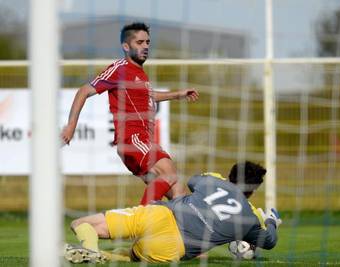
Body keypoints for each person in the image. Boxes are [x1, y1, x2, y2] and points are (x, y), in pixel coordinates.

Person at [61, 22, 199, 204]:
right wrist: (71, 127)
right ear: (126, 46)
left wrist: (177, 95)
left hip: (143, 141)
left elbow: (148, 97)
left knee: (178, 193)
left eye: (148, 42)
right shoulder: (120, 68)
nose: (146, 47)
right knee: (169, 171)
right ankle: (136, 223)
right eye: (140, 42)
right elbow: (83, 91)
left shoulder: (140, 74)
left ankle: (176, 230)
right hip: (132, 138)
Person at [64, 161, 282, 263]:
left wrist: (221, 183)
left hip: (161, 214)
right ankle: (100, 257)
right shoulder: (250, 217)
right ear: (253, 190)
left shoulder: (214, 181)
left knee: (81, 223)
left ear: (232, 174)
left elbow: (193, 180)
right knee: (132, 257)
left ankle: (90, 249)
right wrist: (271, 221)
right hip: (175, 246)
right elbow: (270, 241)